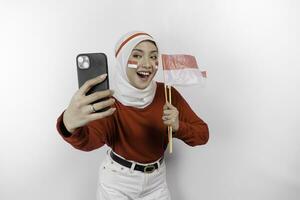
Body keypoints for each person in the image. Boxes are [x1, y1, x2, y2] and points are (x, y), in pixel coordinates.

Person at [56, 31, 209, 200]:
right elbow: (89, 141)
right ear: (122, 60)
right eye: (136, 55)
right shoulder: (108, 100)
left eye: (153, 57)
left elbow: (202, 134)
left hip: (157, 182)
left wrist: (178, 126)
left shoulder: (167, 94)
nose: (147, 64)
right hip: (118, 183)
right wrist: (69, 125)